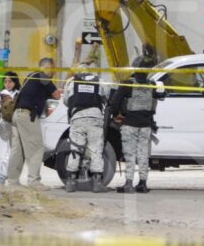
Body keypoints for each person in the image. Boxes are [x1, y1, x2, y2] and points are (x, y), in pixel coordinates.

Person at [108, 55, 165, 193]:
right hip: (146, 126)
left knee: (130, 154)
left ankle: (128, 183)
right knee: (143, 154)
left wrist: (115, 115)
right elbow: (160, 97)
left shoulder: (127, 84)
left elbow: (114, 104)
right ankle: (143, 184)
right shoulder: (152, 85)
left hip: (130, 125)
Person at [7, 58, 61, 188]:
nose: (53, 73)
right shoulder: (43, 76)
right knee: (36, 148)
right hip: (27, 116)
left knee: (17, 150)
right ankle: (34, 181)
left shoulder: (31, 76)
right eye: (52, 69)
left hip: (16, 115)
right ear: (47, 67)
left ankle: (13, 182)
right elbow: (57, 95)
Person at [62, 67, 108, 193]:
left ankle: (71, 182)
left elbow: (66, 101)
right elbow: (106, 97)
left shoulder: (71, 82)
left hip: (77, 118)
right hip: (95, 117)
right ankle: (97, 183)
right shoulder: (100, 81)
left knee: (75, 149)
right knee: (95, 149)